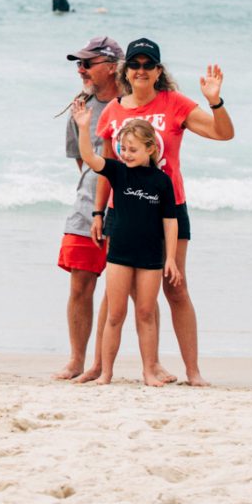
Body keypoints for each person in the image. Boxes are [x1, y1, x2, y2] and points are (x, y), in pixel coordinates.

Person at [92, 37, 231, 387]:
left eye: (147, 65)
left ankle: (193, 371)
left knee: (175, 287)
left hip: (169, 210)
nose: (140, 70)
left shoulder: (175, 104)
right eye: (134, 65)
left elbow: (223, 133)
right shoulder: (113, 111)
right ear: (126, 71)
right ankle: (128, 367)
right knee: (126, 297)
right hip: (124, 213)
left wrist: (215, 102)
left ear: (158, 71)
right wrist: (97, 213)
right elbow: (107, 168)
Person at [71, 106, 180, 387]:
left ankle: (148, 372)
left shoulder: (162, 182)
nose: (126, 154)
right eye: (123, 148)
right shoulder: (118, 171)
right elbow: (90, 158)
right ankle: (106, 373)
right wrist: (84, 127)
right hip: (119, 253)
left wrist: (171, 259)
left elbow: (170, 221)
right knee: (115, 314)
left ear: (151, 148)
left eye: (132, 149)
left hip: (151, 256)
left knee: (145, 314)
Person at [56, 36, 122, 381]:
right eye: (78, 64)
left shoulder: (133, 104)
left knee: (127, 288)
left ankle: (106, 362)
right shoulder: (80, 107)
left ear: (112, 67)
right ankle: (76, 360)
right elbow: (81, 162)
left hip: (127, 209)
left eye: (87, 63)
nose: (80, 70)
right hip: (85, 208)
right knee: (80, 284)